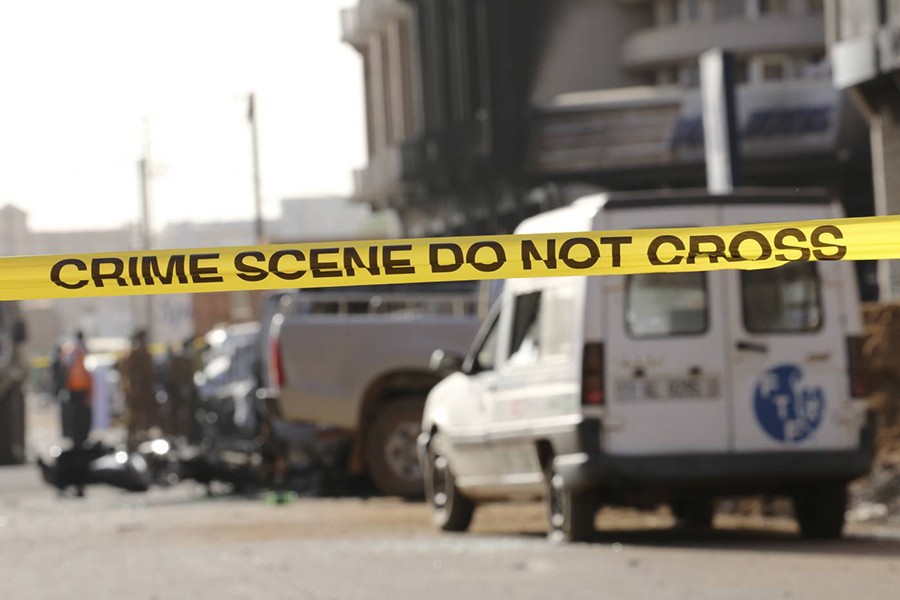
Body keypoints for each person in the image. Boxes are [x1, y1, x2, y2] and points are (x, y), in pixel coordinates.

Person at [118, 329, 158, 451]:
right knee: (136, 414)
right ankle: (134, 436)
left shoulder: (132, 353)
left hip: (139, 390)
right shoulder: (138, 353)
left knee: (139, 414)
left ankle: (138, 436)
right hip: (138, 390)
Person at [62, 331, 92, 448]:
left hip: (76, 389)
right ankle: (79, 439)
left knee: (78, 416)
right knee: (80, 416)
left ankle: (79, 438)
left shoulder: (72, 350)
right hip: (78, 389)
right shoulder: (78, 350)